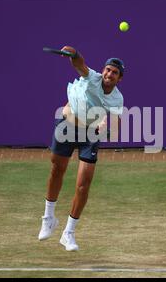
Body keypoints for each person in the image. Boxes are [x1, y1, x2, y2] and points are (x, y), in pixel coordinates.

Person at [38, 46, 124, 251]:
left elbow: (116, 124)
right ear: (103, 71)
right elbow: (80, 64)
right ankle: (48, 217)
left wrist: (107, 128)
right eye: (108, 70)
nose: (109, 74)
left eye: (114, 73)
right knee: (57, 170)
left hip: (90, 135)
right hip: (66, 126)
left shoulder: (117, 98)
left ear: (119, 79)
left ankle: (68, 233)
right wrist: (74, 54)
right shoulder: (91, 77)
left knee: (83, 185)